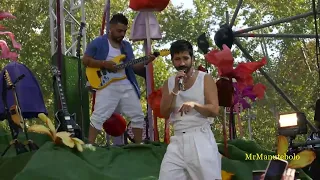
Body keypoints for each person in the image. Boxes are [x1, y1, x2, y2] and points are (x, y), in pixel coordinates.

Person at [82, 13, 155, 144]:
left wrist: (146, 61)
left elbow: (133, 66)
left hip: (125, 83)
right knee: (99, 116)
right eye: (119, 31)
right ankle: (90, 146)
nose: (122, 34)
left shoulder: (126, 46)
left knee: (137, 114)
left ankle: (139, 146)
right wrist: (104, 64)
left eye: (124, 31)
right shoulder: (98, 42)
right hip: (106, 84)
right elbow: (85, 60)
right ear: (110, 28)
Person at [158, 40, 221, 180]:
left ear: (192, 59)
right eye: (177, 59)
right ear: (173, 61)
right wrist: (175, 89)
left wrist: (195, 105)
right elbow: (163, 112)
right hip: (178, 140)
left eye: (185, 58)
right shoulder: (169, 83)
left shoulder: (204, 78)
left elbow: (214, 110)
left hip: (200, 137)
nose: (182, 63)